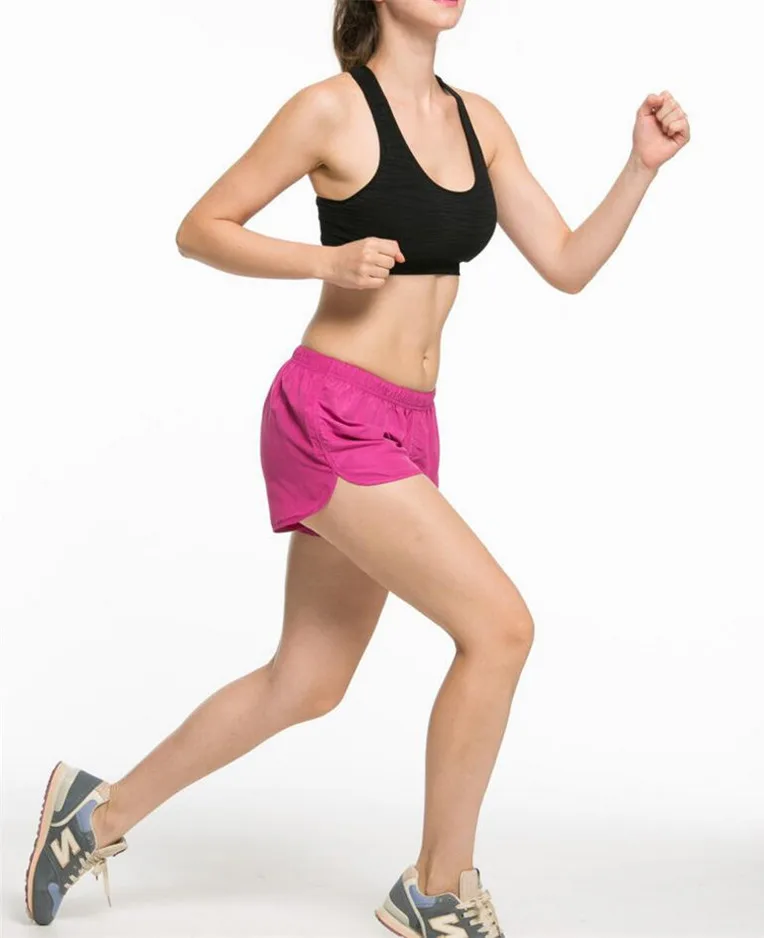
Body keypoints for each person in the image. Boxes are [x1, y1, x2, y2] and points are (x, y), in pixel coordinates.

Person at [24, 0, 691, 932]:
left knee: (306, 680)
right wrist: (323, 261)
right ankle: (438, 890)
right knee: (500, 629)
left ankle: (93, 816)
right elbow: (201, 227)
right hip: (329, 416)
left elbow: (569, 262)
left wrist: (639, 168)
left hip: (409, 425)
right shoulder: (330, 110)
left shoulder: (480, 121)